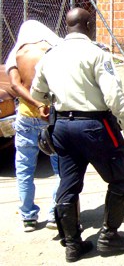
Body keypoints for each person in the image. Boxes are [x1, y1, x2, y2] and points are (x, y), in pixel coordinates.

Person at [31, 8, 124, 262]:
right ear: (89, 24)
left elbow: (37, 93)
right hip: (95, 126)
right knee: (123, 180)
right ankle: (109, 237)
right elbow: (113, 96)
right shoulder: (97, 54)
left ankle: (73, 244)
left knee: (68, 184)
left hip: (63, 129)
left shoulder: (50, 56)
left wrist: (54, 99)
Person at [5, 20, 61, 232]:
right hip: (52, 116)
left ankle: (28, 217)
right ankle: (56, 214)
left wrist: (35, 105)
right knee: (61, 167)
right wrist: (44, 105)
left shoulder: (17, 54)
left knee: (24, 169)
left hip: (26, 118)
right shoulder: (53, 50)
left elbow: (15, 85)